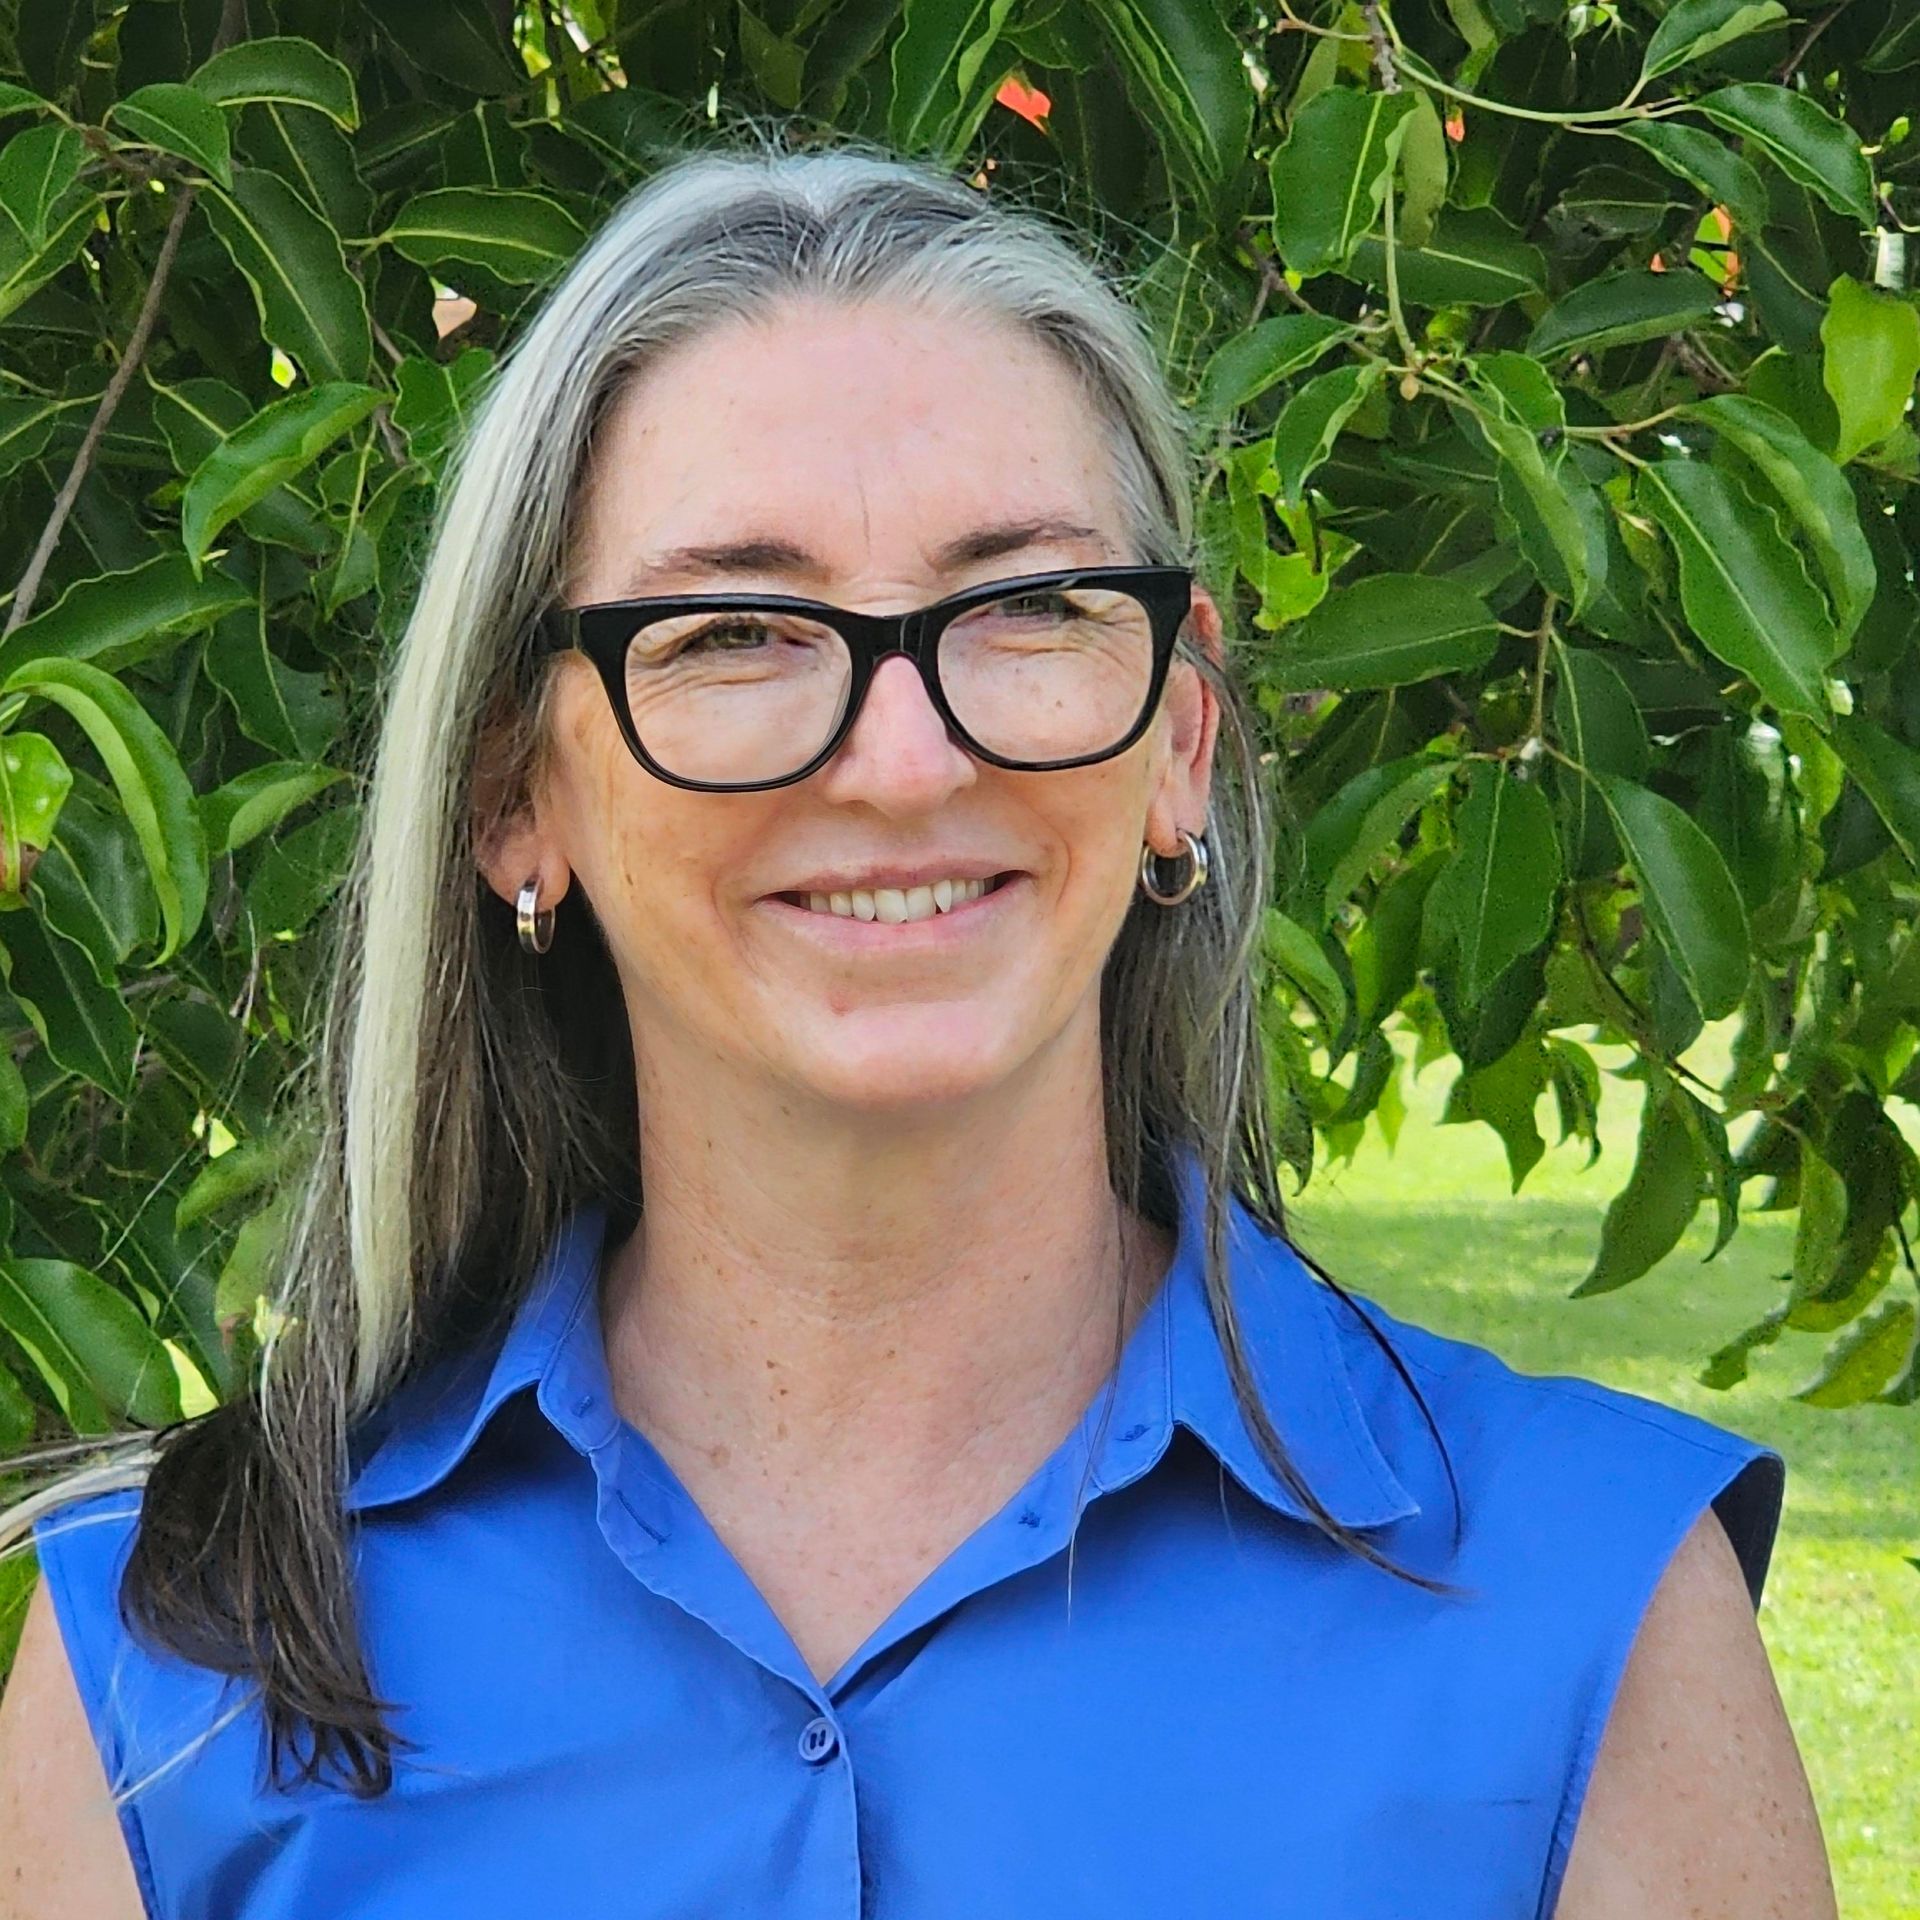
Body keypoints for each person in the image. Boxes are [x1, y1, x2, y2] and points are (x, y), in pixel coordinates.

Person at [0, 135, 1835, 1919]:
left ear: (1180, 745)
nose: (906, 760)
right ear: (511, 799)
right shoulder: (163, 1664)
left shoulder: (1592, 1606)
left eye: (1027, 604)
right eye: (734, 630)